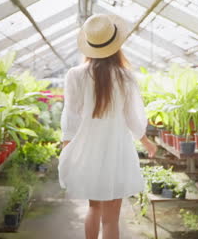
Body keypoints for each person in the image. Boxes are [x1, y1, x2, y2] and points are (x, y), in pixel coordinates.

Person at [58, 14, 157, 239]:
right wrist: (147, 143)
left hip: (89, 150)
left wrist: (67, 148)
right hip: (117, 151)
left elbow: (70, 117)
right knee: (112, 218)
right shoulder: (125, 77)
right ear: (116, 45)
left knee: (93, 207)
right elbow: (132, 117)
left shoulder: (75, 75)